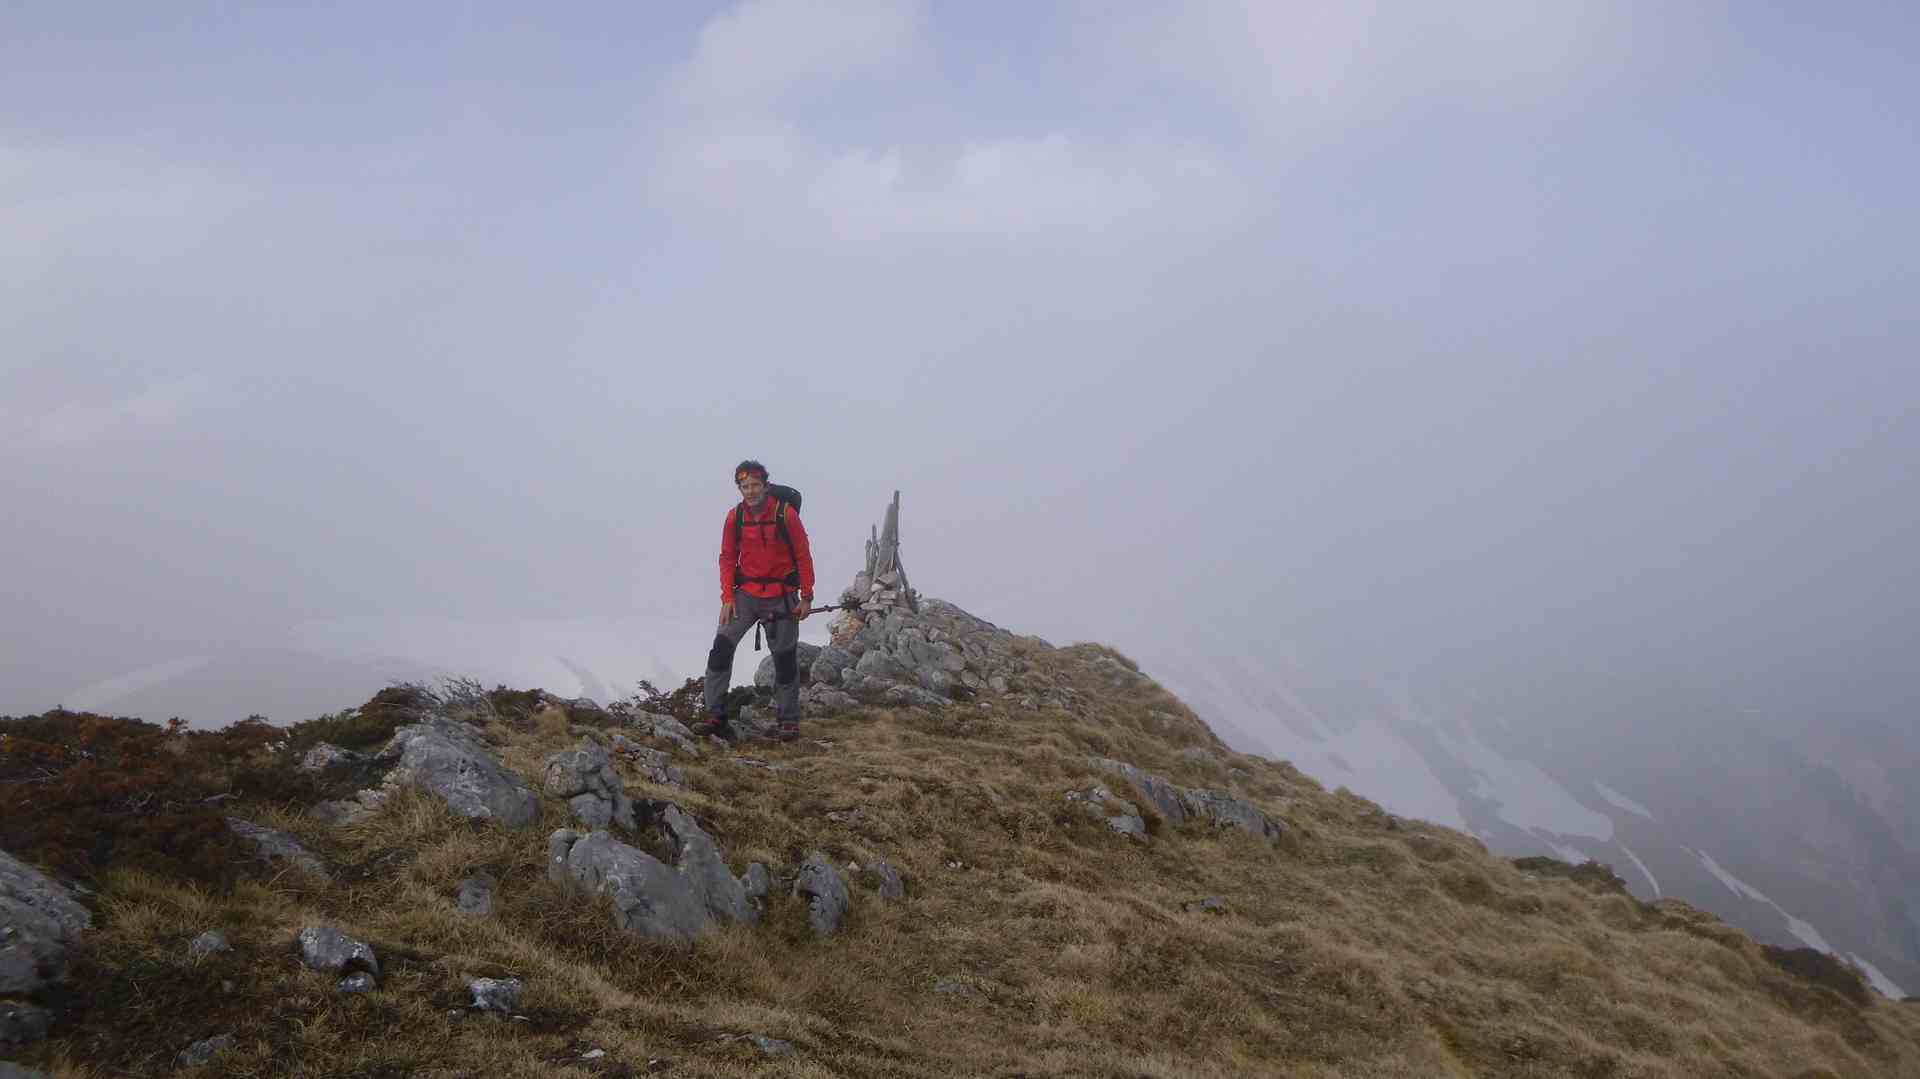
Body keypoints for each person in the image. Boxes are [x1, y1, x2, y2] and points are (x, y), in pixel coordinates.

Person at [694, 459, 815, 742]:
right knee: (721, 648)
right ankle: (715, 716)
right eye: (744, 486)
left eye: (755, 485)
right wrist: (727, 596)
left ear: (765, 485)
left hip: (782, 596)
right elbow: (726, 557)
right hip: (745, 595)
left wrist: (806, 596)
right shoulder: (734, 517)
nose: (750, 491)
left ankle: (789, 722)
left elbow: (803, 555)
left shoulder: (786, 514)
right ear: (739, 488)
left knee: (784, 659)